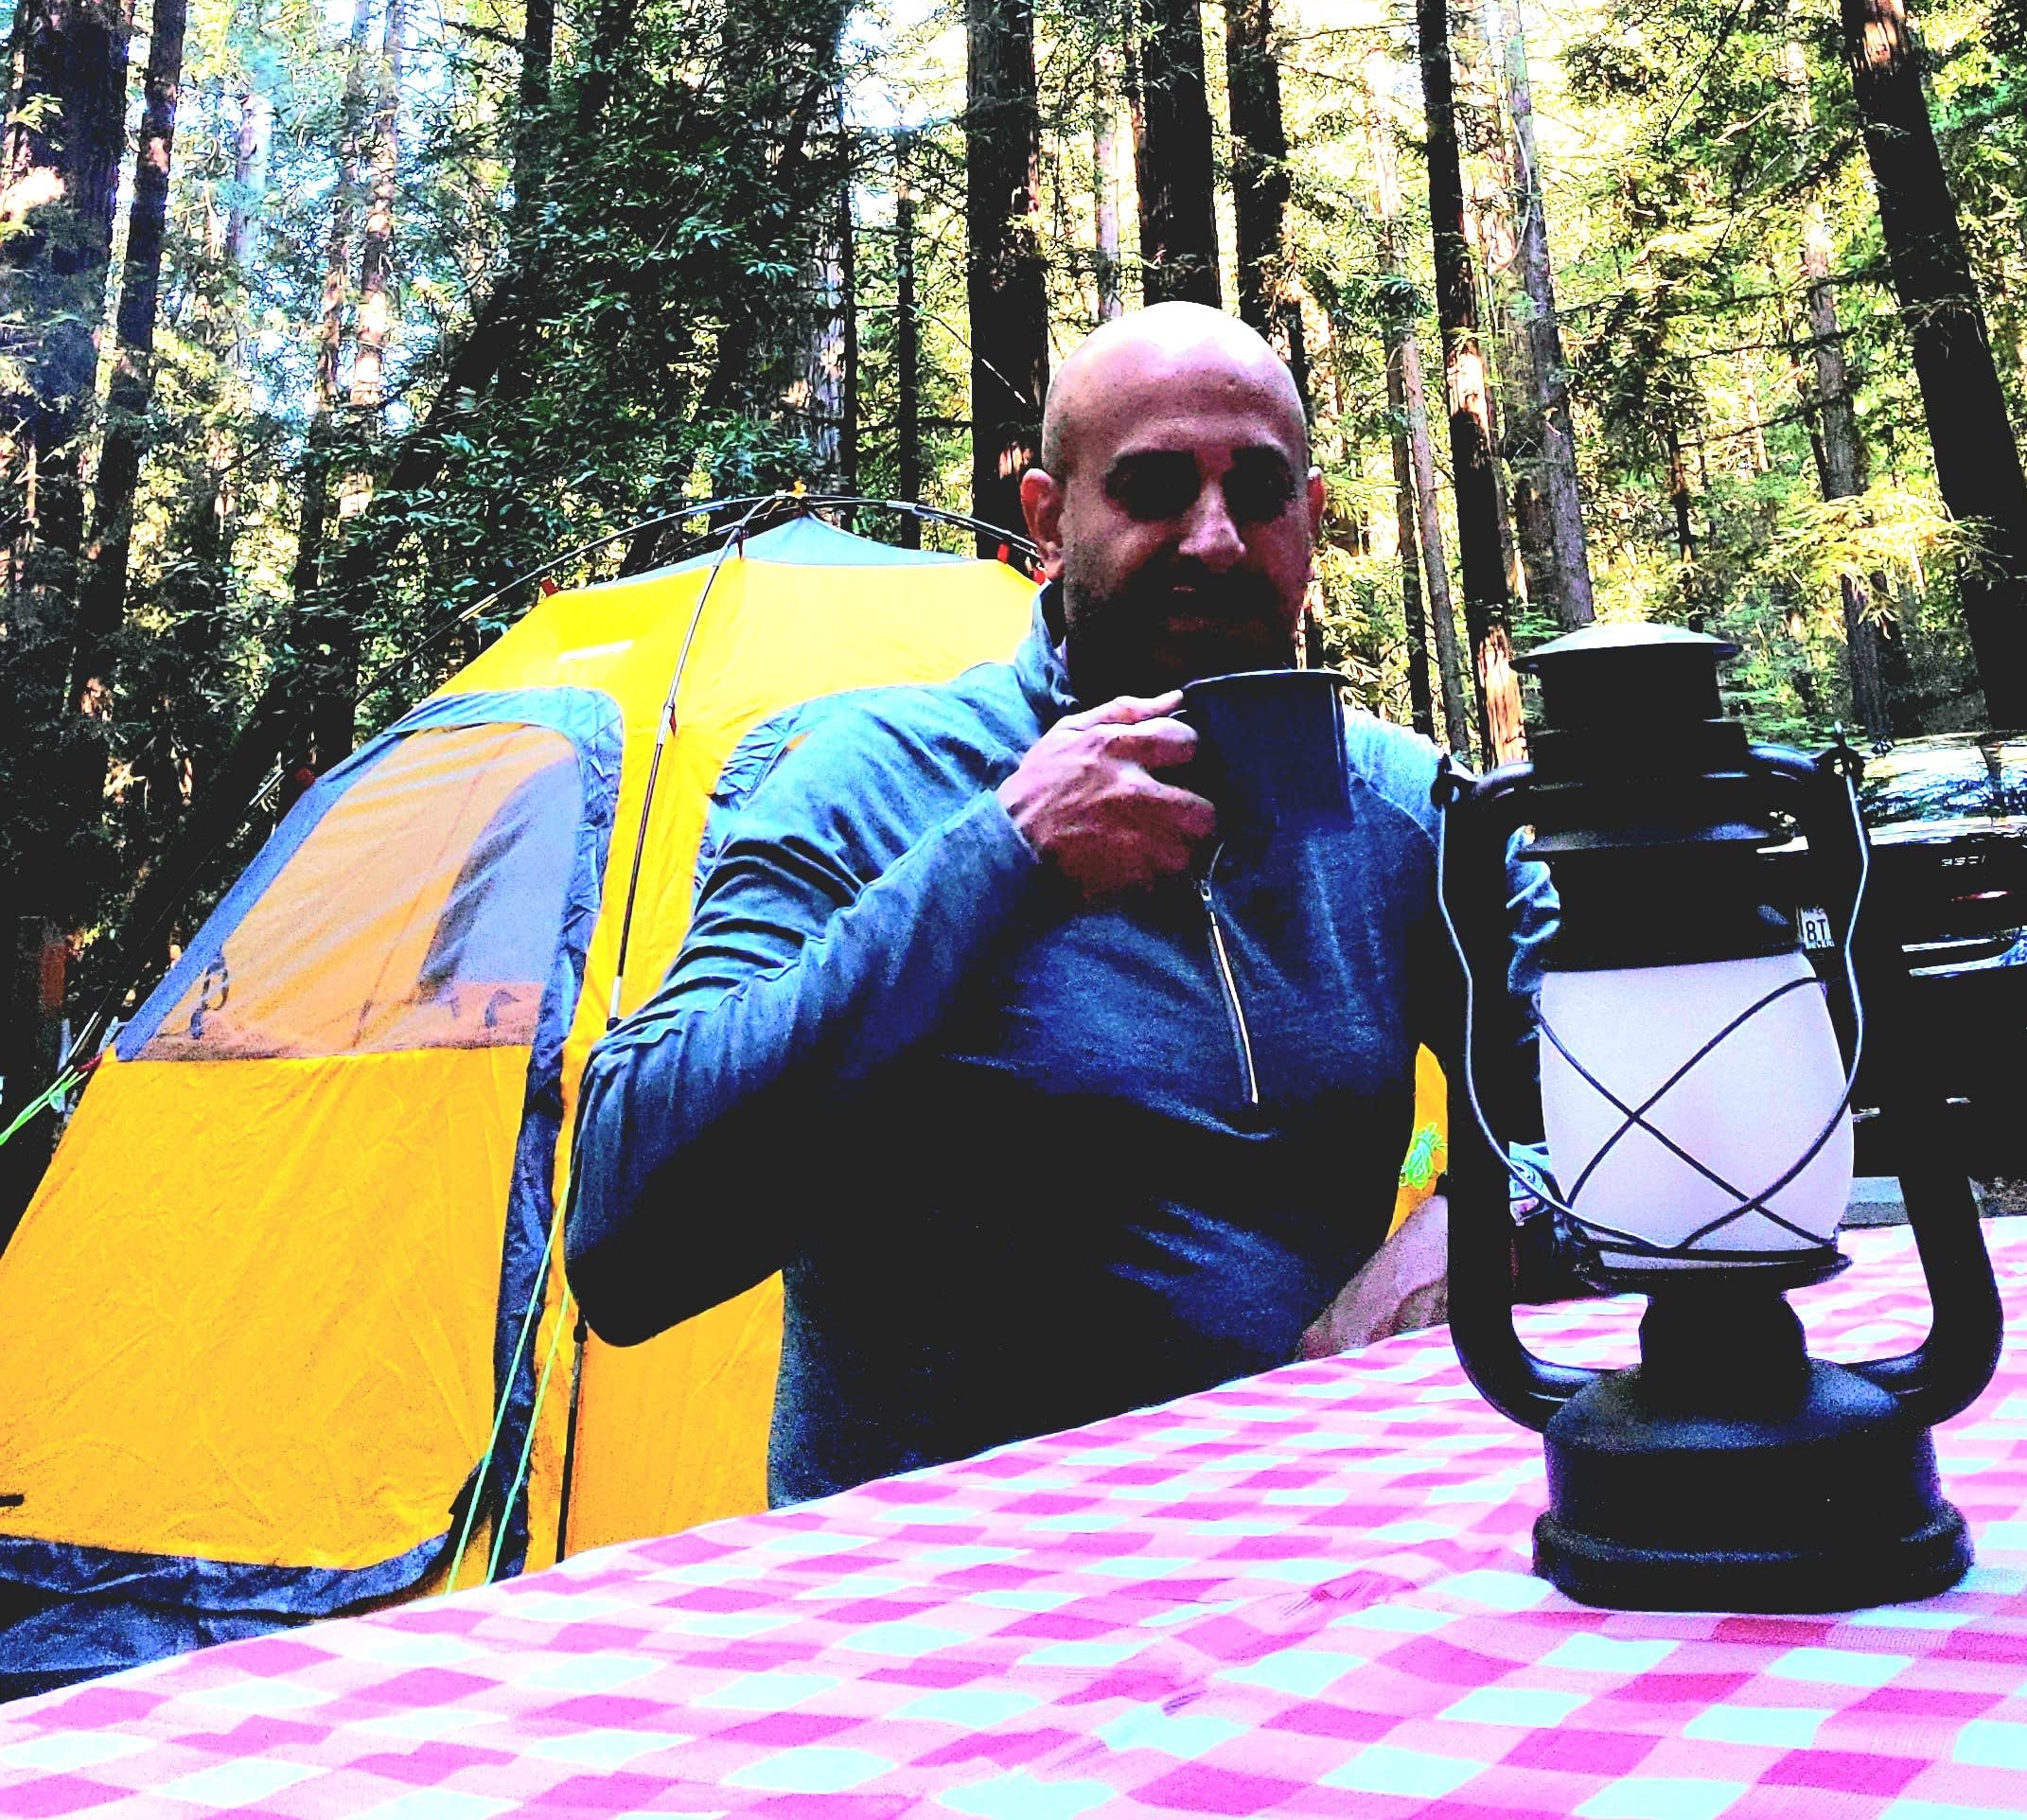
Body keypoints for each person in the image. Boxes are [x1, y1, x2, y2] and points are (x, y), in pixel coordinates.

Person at [566, 302, 1548, 1501]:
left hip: (1311, 1561)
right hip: (940, 1602)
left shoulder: (1397, 807)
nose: (1217, 539)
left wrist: (1474, 1235)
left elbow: (1641, 1083)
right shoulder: (860, 778)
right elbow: (625, 1231)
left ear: (1314, 518)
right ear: (1047, 520)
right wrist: (1005, 856)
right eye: (1150, 489)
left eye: (1260, 490)